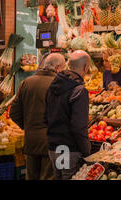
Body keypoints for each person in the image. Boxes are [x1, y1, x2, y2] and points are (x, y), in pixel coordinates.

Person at [9, 53, 66, 180]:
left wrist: (29, 126)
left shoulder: (27, 83)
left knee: (31, 176)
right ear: (58, 68)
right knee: (49, 177)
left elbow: (14, 112)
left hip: (31, 141)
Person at [45, 50, 91, 180]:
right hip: (67, 149)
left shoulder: (53, 85)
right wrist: (86, 150)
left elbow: (45, 116)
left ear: (69, 65)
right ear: (86, 67)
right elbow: (79, 126)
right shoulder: (79, 90)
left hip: (53, 147)